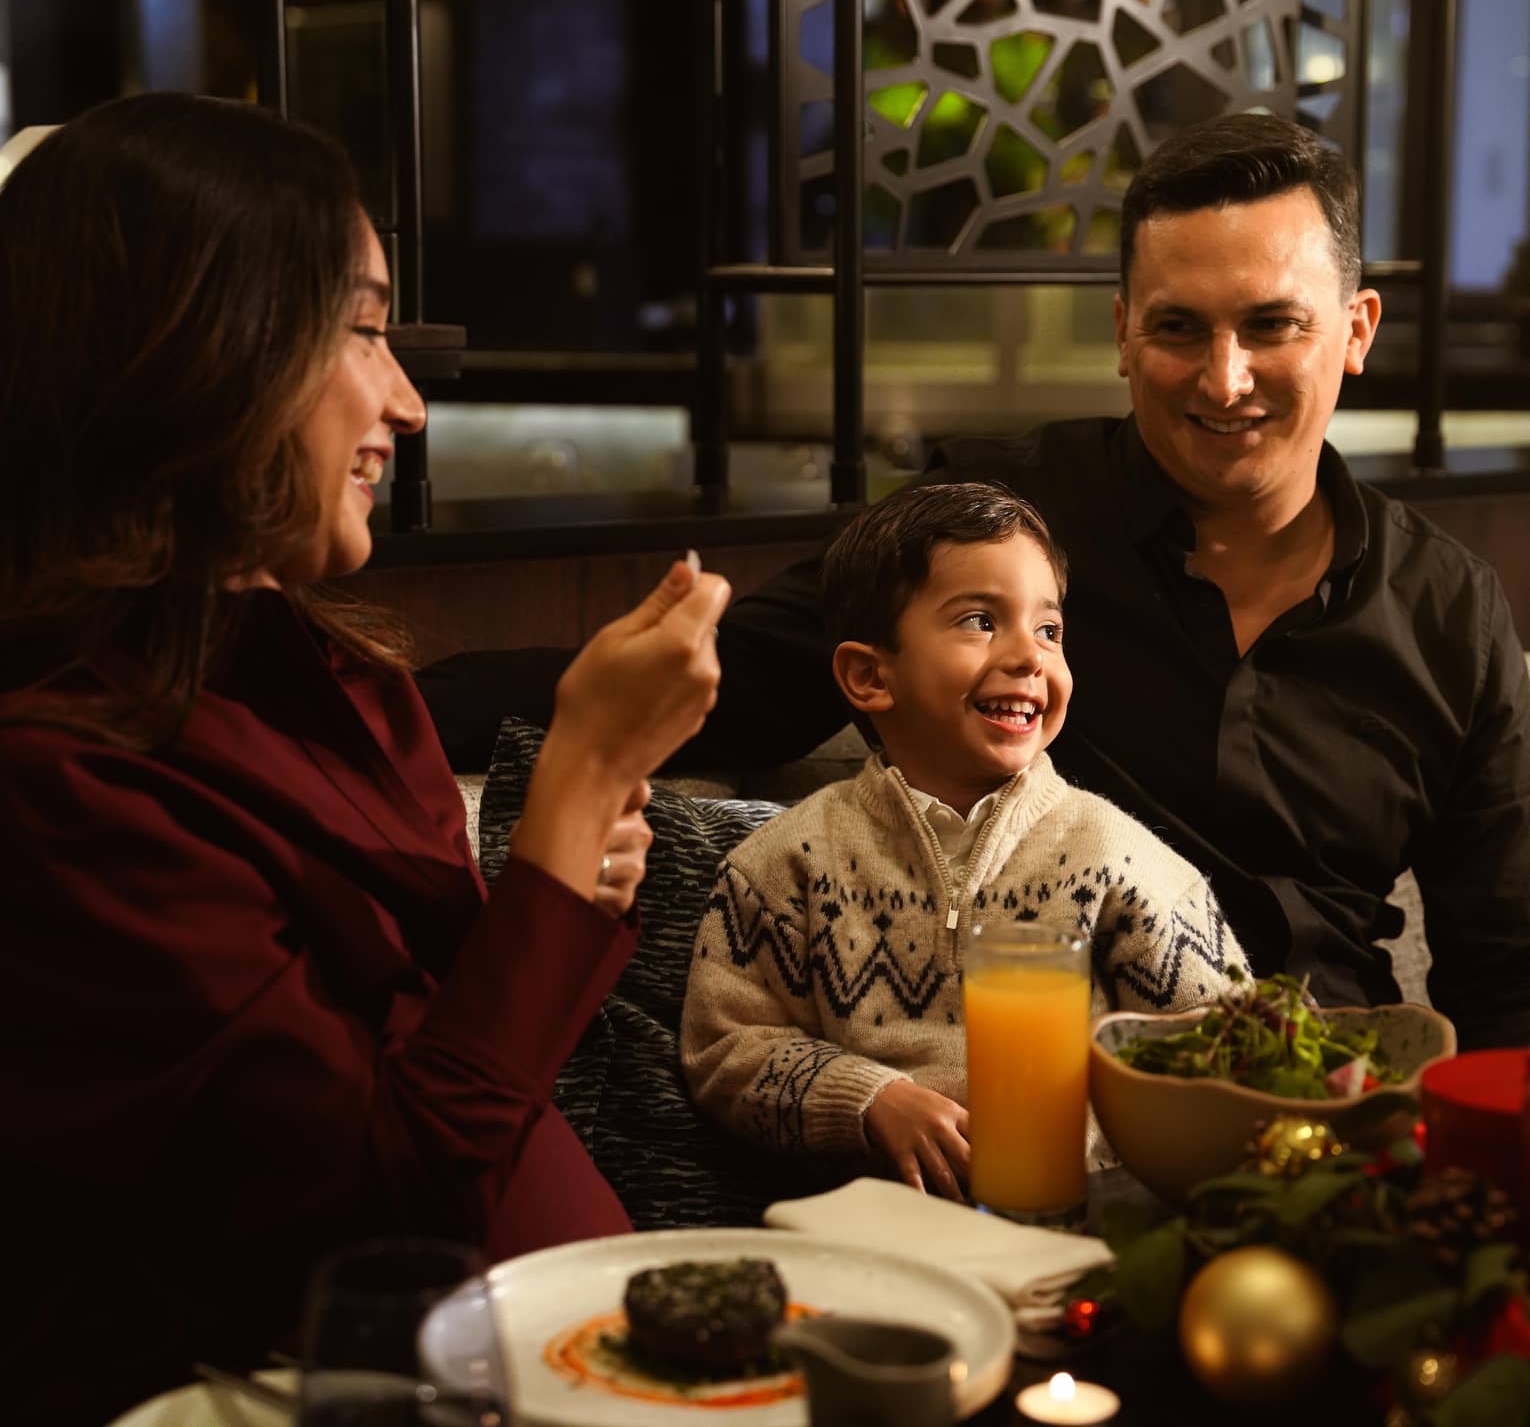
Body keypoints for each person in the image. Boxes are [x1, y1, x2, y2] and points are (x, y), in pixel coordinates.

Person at [420, 113, 1530, 1049]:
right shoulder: (1001, 523)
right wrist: (383, 705)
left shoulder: (1450, 612)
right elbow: (738, 679)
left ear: (1355, 330)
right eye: (1179, 329)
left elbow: (1504, 963)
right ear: (1123, 335)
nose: (1224, 378)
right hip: (1039, 1097)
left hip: (1337, 1107)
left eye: (1272, 325)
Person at [0, 92, 730, 1427]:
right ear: (201, 346)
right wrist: (570, 788)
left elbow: (464, 1064)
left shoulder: (337, 676)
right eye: (362, 329)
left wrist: (567, 880)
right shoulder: (56, 780)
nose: (408, 401)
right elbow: (376, 1213)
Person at [679, 482, 1247, 1198]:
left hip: (1081, 1212)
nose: (1030, 656)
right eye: (981, 621)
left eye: (1049, 630)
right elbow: (724, 1051)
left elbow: (1229, 1043)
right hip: (865, 1221)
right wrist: (866, 1099)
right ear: (869, 676)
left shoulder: (1113, 855)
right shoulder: (785, 863)